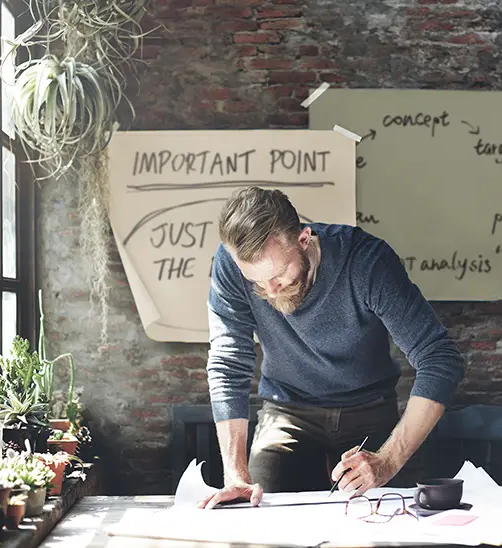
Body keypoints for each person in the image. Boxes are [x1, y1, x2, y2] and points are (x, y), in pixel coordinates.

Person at [198, 186, 465, 510]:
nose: (269, 290)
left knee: (390, 518)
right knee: (259, 513)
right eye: (256, 280)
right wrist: (235, 475)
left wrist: (387, 461)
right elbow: (228, 364)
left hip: (368, 407)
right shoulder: (230, 265)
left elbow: (439, 358)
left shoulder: (366, 263)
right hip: (288, 410)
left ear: (304, 240)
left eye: (279, 274)